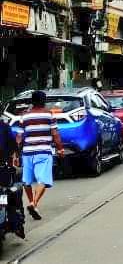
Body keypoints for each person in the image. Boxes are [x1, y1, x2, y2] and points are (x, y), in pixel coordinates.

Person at [16, 90, 64, 221]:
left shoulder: (24, 116)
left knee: (26, 181)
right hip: (43, 152)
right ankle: (34, 203)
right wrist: (60, 149)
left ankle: (32, 203)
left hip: (27, 152)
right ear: (44, 101)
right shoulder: (49, 115)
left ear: (32, 101)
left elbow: (19, 136)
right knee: (42, 180)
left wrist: (15, 153)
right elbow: (55, 134)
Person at [0, 117, 24, 238]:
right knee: (9, 191)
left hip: (4, 170)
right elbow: (13, 147)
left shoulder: (4, 127)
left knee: (8, 192)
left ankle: (15, 221)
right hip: (3, 171)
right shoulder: (4, 127)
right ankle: (16, 222)